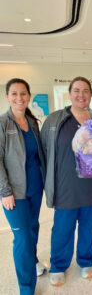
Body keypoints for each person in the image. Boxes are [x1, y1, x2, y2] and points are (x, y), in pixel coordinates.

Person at [41, 76, 92, 286]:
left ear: (91, 95)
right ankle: (58, 264)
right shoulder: (55, 120)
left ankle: (85, 260)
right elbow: (44, 151)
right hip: (65, 186)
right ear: (70, 94)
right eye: (76, 90)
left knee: (88, 227)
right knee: (62, 228)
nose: (81, 95)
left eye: (85, 91)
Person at [0, 78, 46, 295]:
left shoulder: (32, 122)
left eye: (23, 94)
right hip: (14, 193)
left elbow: (38, 155)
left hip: (35, 188)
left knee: (33, 229)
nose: (19, 98)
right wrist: (5, 191)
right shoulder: (2, 123)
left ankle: (34, 262)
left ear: (29, 96)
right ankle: (26, 289)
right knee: (22, 239)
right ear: (7, 96)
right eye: (14, 94)